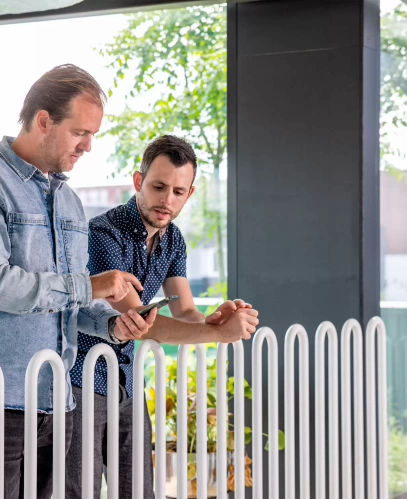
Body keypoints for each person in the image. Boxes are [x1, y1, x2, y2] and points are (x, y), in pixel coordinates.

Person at [0, 64, 158, 499]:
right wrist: (91, 286)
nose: (89, 146)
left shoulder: (68, 201)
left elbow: (64, 301)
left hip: (53, 401)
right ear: (43, 120)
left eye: (93, 135)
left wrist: (111, 324)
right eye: (80, 133)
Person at [66, 135, 259, 498]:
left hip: (126, 380)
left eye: (178, 191)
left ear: (190, 194)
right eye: (158, 186)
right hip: (82, 380)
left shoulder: (174, 240)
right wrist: (220, 336)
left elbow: (184, 309)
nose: (167, 200)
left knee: (139, 489)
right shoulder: (104, 234)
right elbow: (139, 320)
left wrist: (216, 320)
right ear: (138, 182)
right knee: (80, 491)